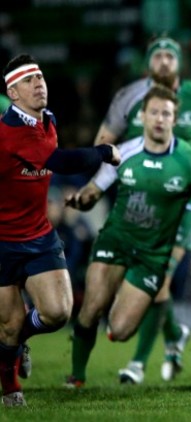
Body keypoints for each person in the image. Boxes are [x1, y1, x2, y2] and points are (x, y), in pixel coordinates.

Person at [94, 36, 191, 383]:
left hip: (181, 201)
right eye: (156, 55)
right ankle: (174, 334)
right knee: (139, 280)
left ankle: (138, 364)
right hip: (137, 198)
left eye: (169, 55)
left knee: (159, 280)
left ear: (179, 62)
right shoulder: (128, 96)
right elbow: (102, 142)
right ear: (147, 63)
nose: (163, 61)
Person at [65, 85, 191, 388]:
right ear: (143, 117)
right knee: (90, 309)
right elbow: (94, 191)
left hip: (153, 254)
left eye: (167, 113)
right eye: (154, 112)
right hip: (115, 241)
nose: (160, 119)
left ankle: (159, 333)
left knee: (120, 330)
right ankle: (76, 377)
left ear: (175, 120)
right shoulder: (124, 153)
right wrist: (81, 199)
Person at [0, 54, 120, 406]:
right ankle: (10, 385)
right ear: (13, 93)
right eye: (29, 80)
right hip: (3, 242)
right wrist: (104, 152)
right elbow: (61, 162)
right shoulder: (10, 133)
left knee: (57, 312)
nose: (39, 83)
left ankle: (14, 347)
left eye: (40, 76)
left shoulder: (47, 120)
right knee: (8, 324)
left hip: (39, 235)